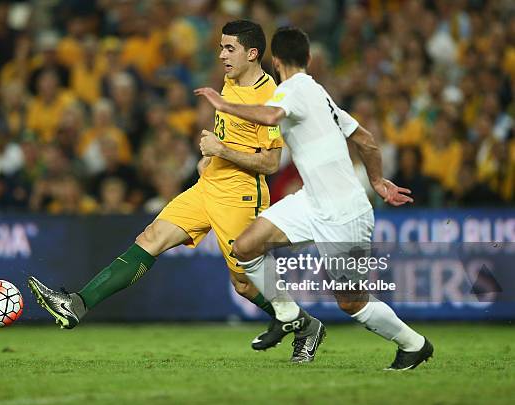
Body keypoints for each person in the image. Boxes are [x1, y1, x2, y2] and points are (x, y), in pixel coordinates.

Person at [27, 20, 324, 363]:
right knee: (151, 237)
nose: (221, 54)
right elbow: (232, 137)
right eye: (221, 46)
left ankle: (305, 326)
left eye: (230, 48)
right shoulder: (230, 82)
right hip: (208, 185)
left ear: (252, 53)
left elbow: (271, 164)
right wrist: (211, 160)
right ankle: (77, 304)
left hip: (241, 195)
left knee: (243, 283)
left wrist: (222, 152)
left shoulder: (270, 95)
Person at [195, 26, 433, 371]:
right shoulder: (318, 93)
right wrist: (378, 180)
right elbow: (366, 140)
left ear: (275, 61)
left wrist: (223, 104)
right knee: (245, 247)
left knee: (352, 303)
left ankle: (414, 344)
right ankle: (288, 313)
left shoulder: (292, 91)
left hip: (344, 213)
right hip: (312, 202)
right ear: (308, 58)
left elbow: (271, 115)